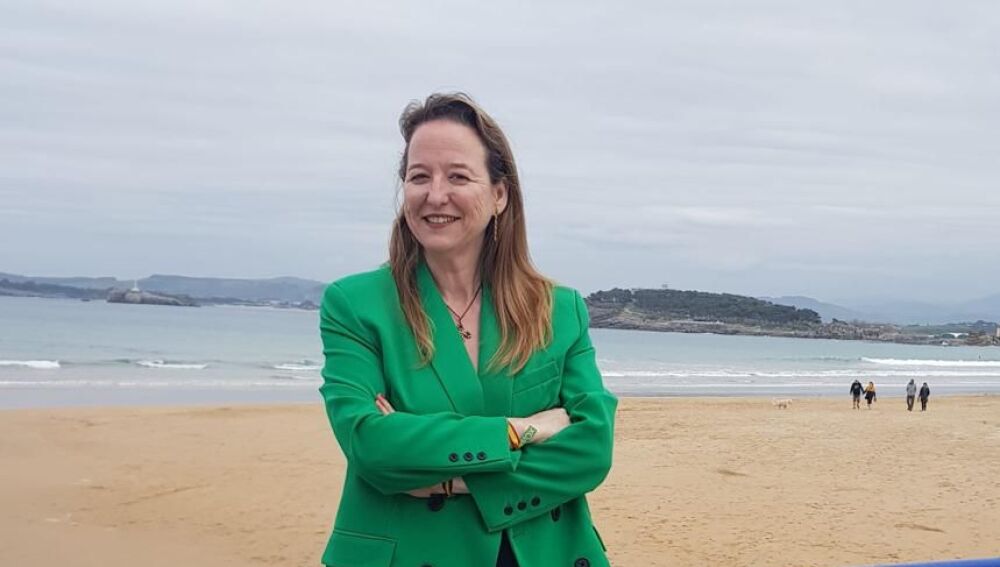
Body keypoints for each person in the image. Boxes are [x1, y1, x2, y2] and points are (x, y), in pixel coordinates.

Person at [317, 93, 618, 567]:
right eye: (419, 176)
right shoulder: (355, 304)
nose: (435, 195)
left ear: (499, 195)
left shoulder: (559, 310)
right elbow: (370, 446)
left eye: (457, 176)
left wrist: (445, 479)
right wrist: (523, 430)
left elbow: (591, 450)